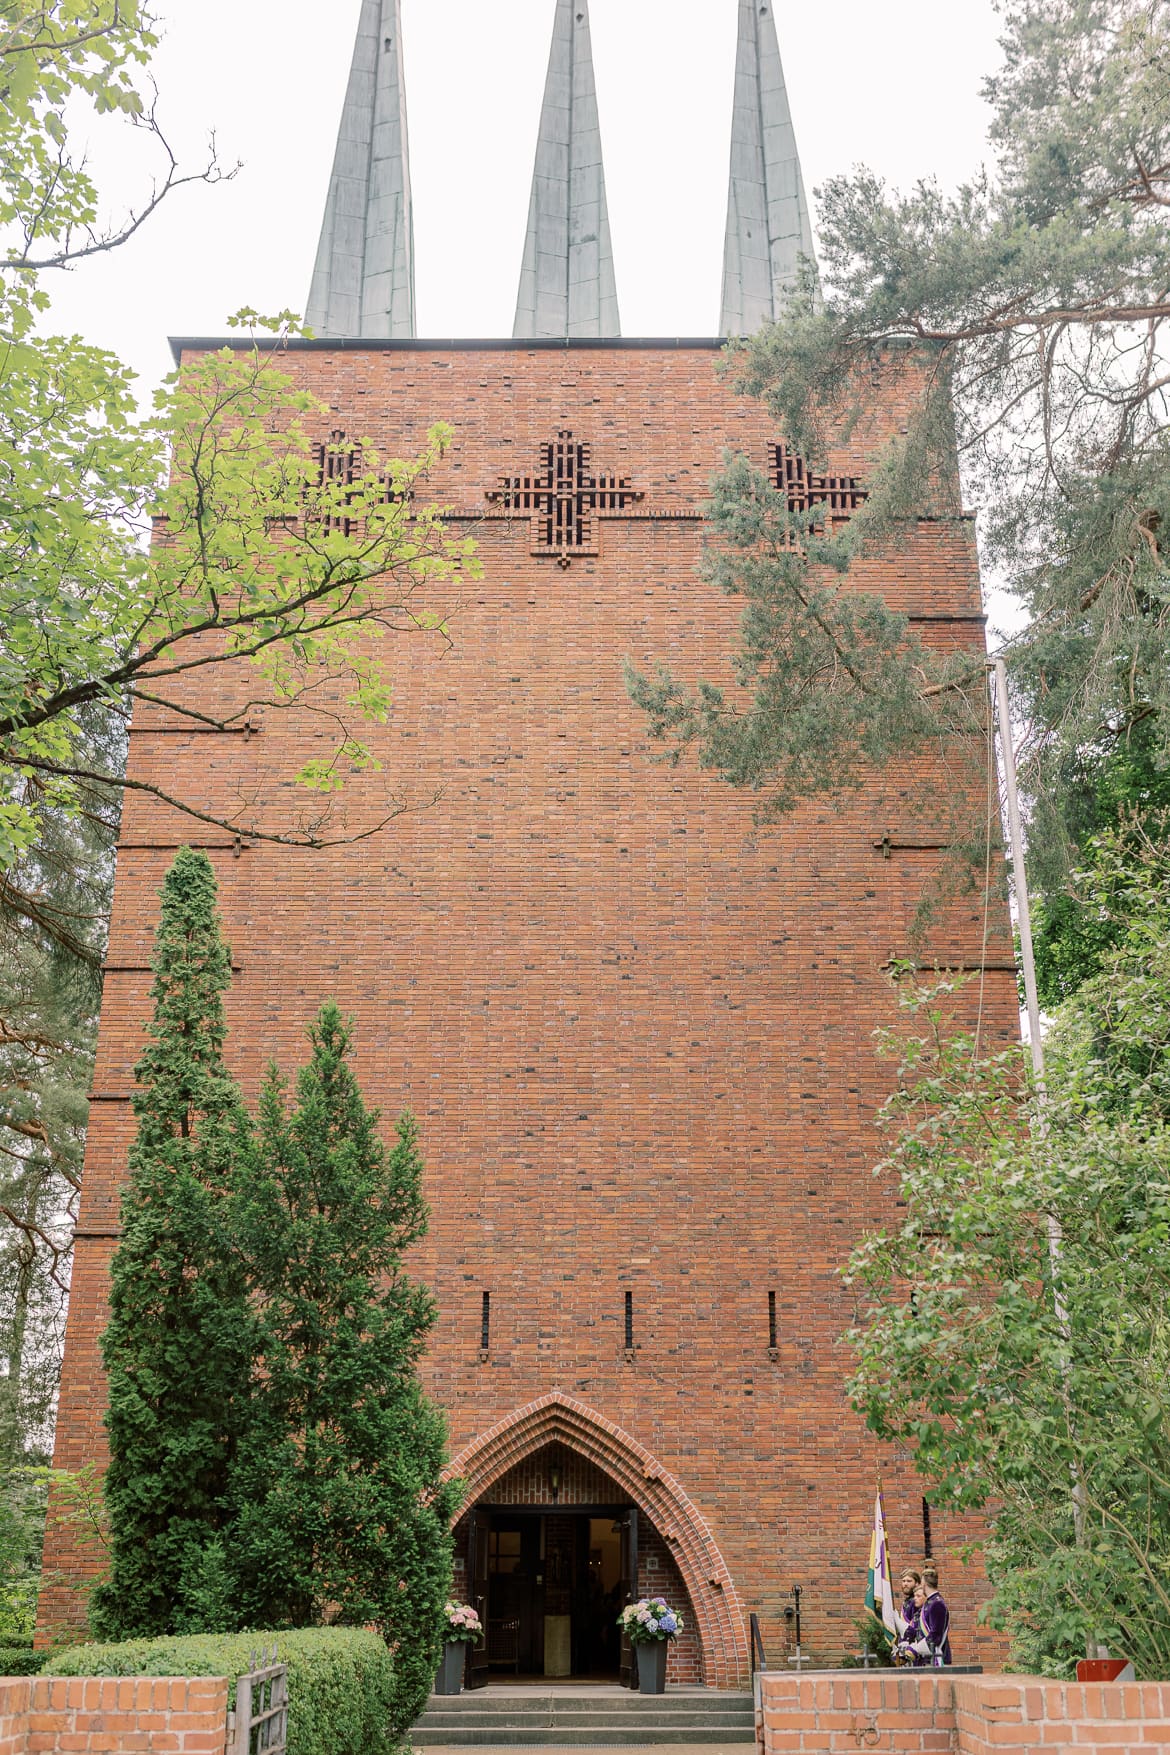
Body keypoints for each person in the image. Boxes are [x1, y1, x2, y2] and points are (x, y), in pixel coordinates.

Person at [915, 1566, 952, 1666]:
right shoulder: (930, 1601)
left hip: (936, 1657)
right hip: (927, 1656)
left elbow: (936, 1635)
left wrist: (916, 1649)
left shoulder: (937, 1603)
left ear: (924, 1583)